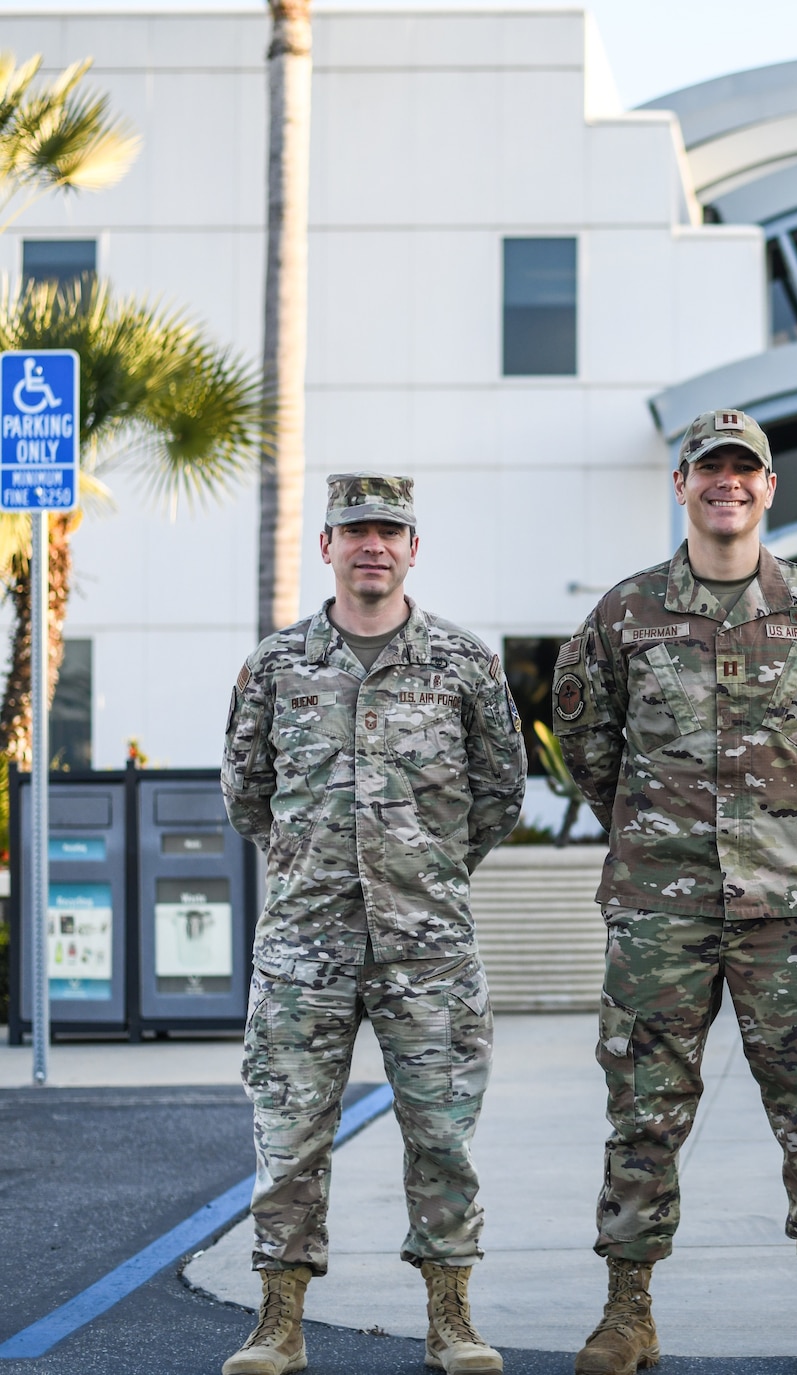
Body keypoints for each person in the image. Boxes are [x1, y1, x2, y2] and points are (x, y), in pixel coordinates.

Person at [554, 408, 797, 1375]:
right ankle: (627, 1311)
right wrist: (652, 828)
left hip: (789, 910)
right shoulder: (626, 613)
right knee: (643, 1108)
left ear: (769, 487)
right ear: (683, 484)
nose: (726, 484)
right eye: (710, 469)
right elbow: (588, 743)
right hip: (661, 907)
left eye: (745, 470)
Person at [220, 473, 527, 1375]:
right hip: (302, 948)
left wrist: (423, 873)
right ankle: (277, 1322)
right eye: (354, 529)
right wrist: (315, 870)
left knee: (442, 1136)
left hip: (427, 948)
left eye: (390, 529)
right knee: (288, 1140)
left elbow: (500, 793)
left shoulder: (463, 664)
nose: (372, 544)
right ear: (327, 545)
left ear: (413, 547)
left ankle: (453, 1320)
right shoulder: (274, 667)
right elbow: (246, 795)